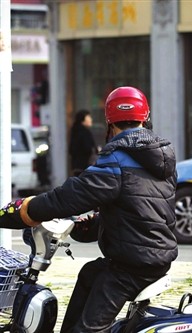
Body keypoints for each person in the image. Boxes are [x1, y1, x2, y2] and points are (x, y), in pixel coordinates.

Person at [1, 86, 178, 332]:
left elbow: (67, 198)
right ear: (145, 118)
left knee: (89, 329)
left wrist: (24, 210)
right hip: (150, 256)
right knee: (89, 274)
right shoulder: (161, 158)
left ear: (109, 123)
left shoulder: (117, 159)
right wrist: (94, 225)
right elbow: (140, 208)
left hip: (132, 266)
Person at [69, 109, 98, 176]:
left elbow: (71, 150)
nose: (91, 119)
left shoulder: (75, 131)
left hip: (77, 167)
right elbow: (88, 148)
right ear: (83, 120)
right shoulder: (84, 132)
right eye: (89, 117)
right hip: (86, 166)